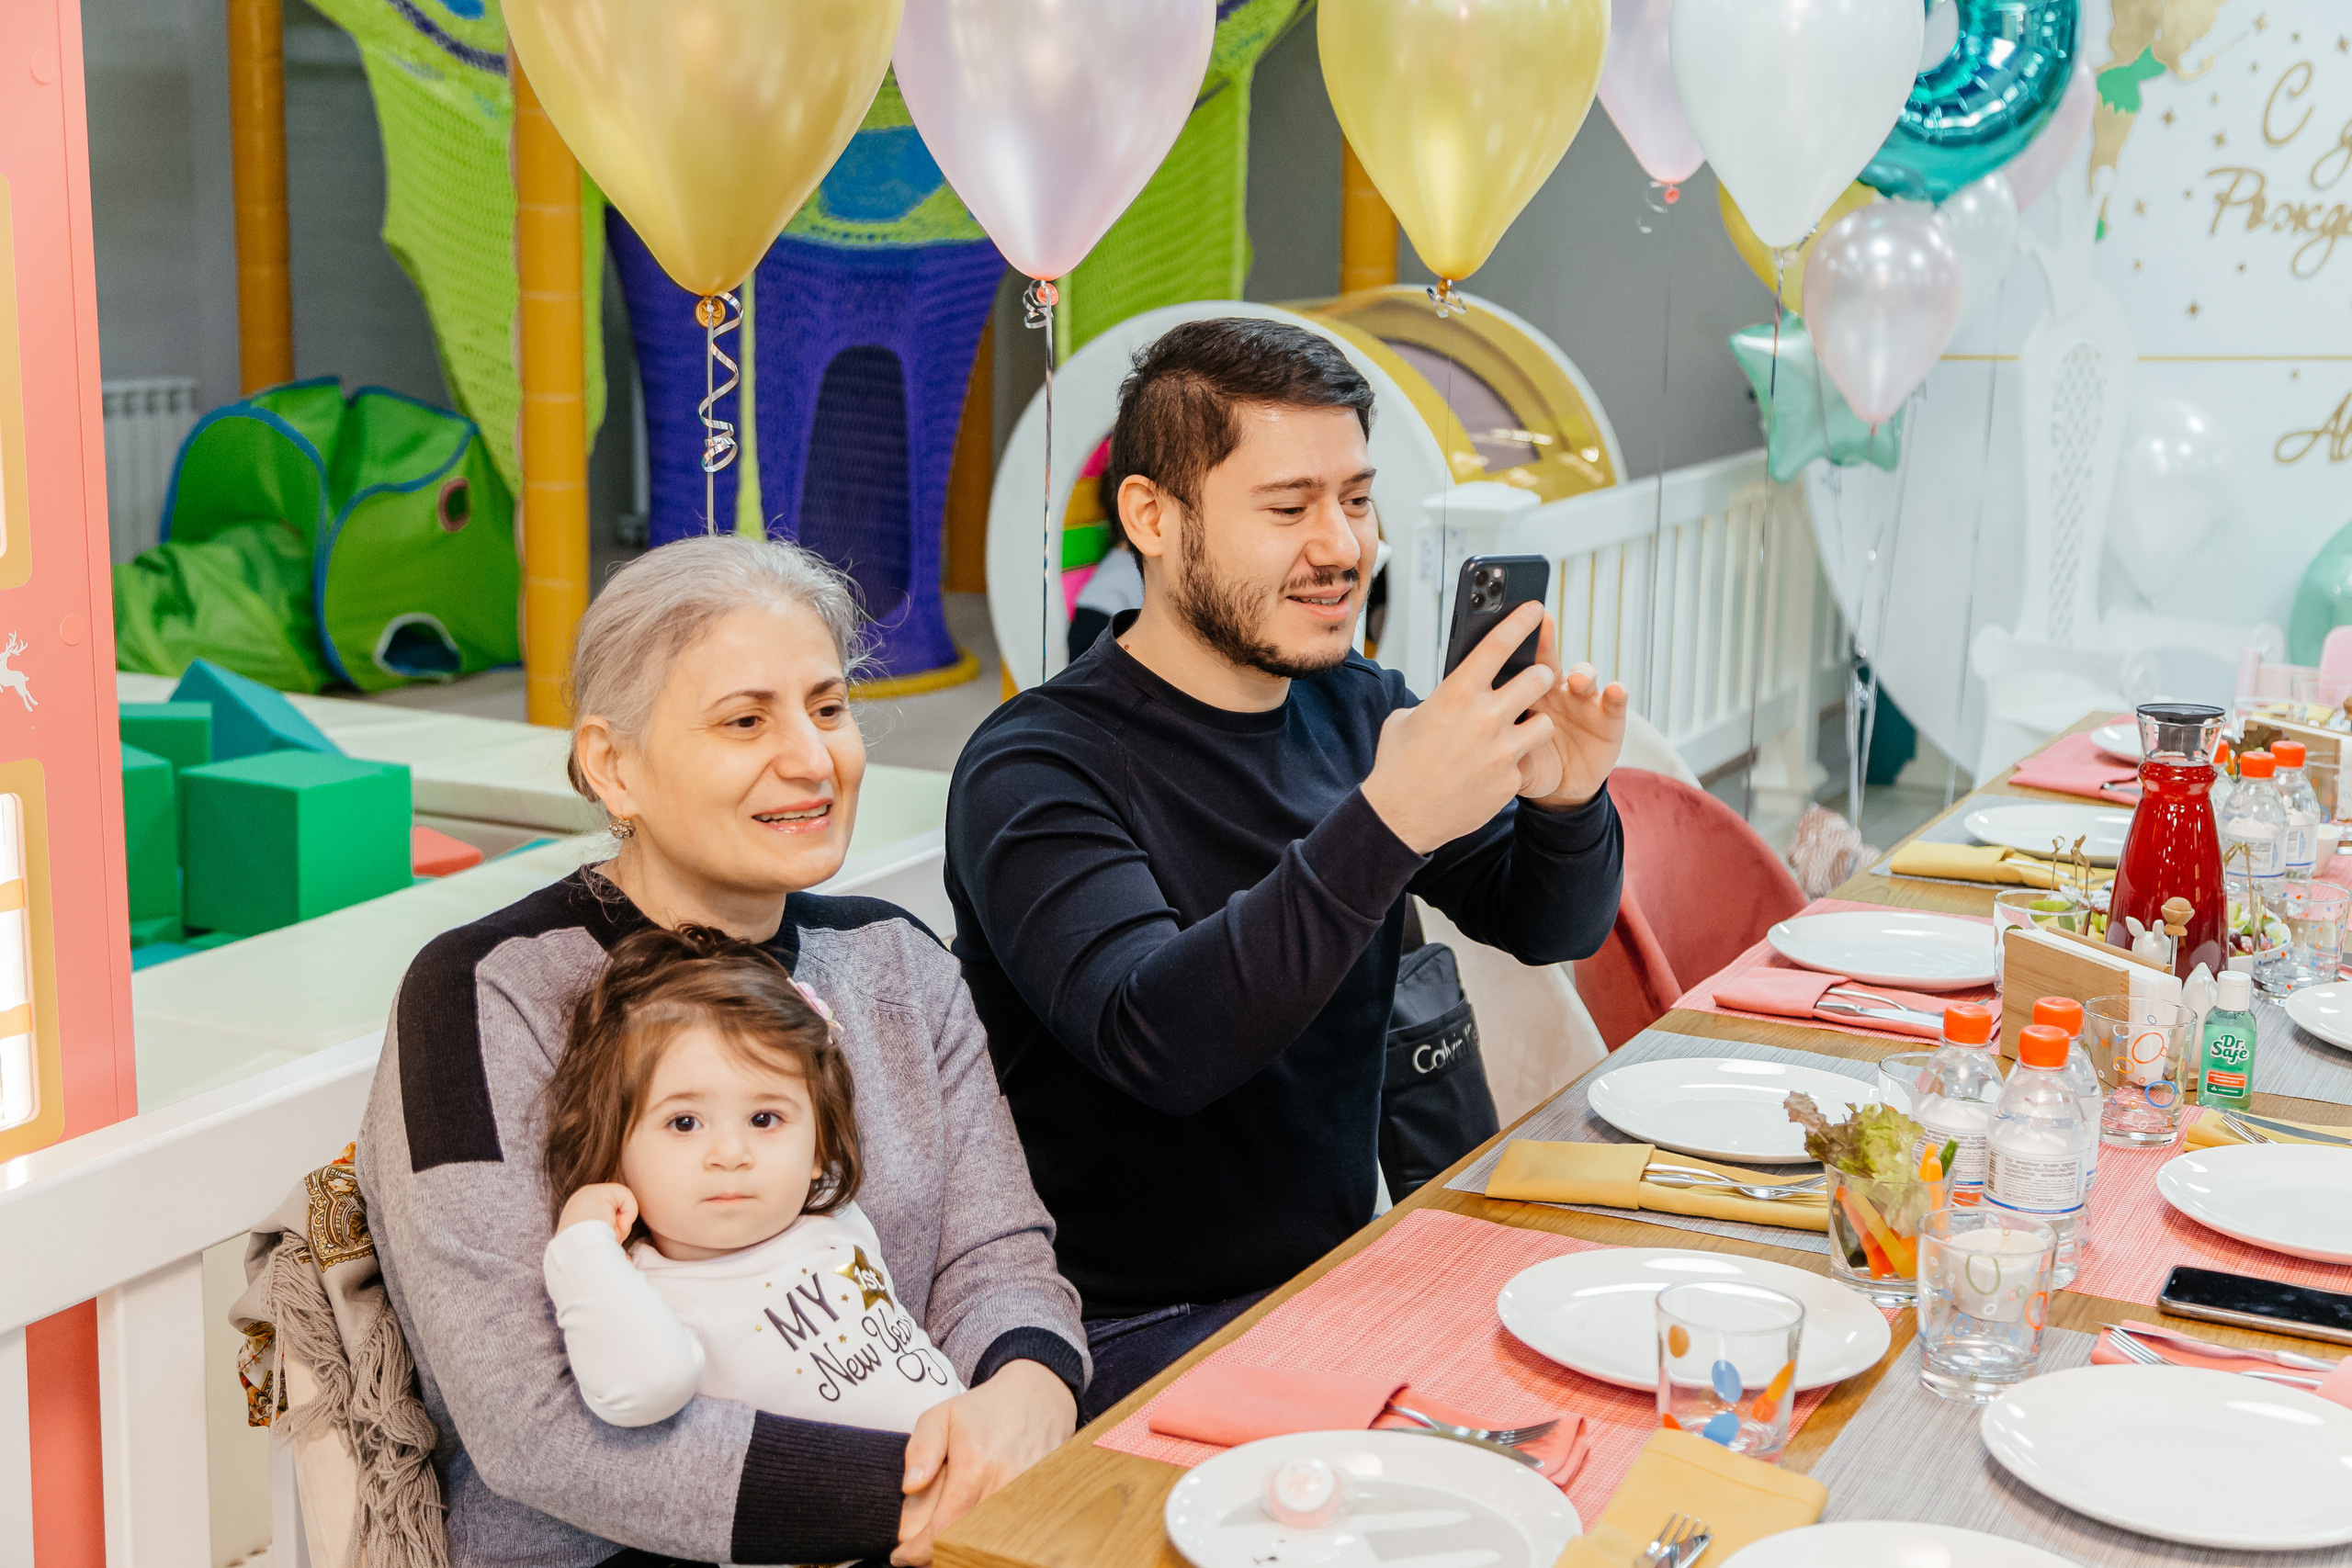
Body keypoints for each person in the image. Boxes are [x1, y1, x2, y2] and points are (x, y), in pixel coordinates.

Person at [944, 317, 1627, 1420]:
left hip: (1332, 1275)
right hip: (1110, 1328)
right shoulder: (1033, 767)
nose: (1342, 546)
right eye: (1288, 506)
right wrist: (1386, 819)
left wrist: (1567, 799)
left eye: (1356, 500)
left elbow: (1550, 921)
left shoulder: (1356, 707)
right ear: (1152, 517)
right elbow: (1158, 1040)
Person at [357, 536, 1085, 1568]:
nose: (811, 758)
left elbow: (999, 1258)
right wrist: (903, 1501)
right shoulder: (480, 995)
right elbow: (527, 1422)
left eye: (828, 709)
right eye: (746, 721)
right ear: (613, 764)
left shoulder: (896, 961)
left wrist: (1028, 1397)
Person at [541, 923, 962, 1436]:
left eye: (764, 1119)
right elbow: (645, 1390)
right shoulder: (642, 1294)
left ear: (820, 1148)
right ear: (615, 1157)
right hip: (873, 1507)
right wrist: (584, 1242)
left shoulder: (834, 1212)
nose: (731, 1154)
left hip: (986, 1468)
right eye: (684, 1123)